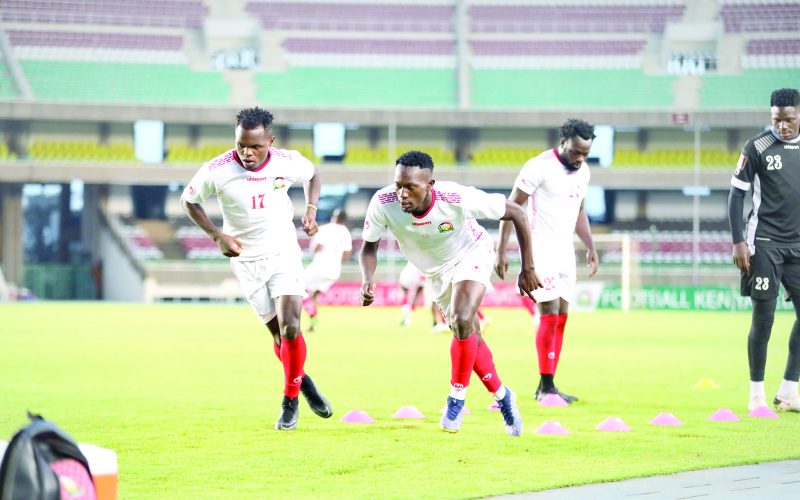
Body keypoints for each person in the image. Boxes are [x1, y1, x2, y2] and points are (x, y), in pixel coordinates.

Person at [359, 150, 540, 436]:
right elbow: (369, 246)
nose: (402, 194)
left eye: (411, 187)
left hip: (472, 252)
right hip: (436, 273)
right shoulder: (382, 203)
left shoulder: (456, 197)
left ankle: (455, 399)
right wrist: (367, 278)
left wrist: (527, 267)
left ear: (430, 185)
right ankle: (503, 396)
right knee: (467, 333)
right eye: (398, 185)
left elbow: (516, 212)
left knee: (461, 316)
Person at [180, 106, 333, 430]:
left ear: (270, 142)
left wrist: (310, 208)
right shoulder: (217, 169)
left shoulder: (287, 161)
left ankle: (289, 402)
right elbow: (189, 201)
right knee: (279, 338)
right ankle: (302, 381)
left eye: (255, 146)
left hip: (283, 252)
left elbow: (313, 174)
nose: (247, 153)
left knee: (292, 326)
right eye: (241, 145)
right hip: (246, 260)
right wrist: (217, 235)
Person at [496, 118, 599, 405]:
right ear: (563, 141)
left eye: (585, 154)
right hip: (539, 251)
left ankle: (550, 384)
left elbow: (580, 212)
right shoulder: (538, 166)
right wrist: (501, 249)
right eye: (576, 152)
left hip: (566, 252)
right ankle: (545, 386)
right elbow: (512, 207)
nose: (580, 159)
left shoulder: (584, 172)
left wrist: (590, 247)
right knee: (549, 313)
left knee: (562, 316)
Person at [728, 88, 800, 412]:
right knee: (764, 318)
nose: (782, 126)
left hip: (798, 246)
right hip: (766, 243)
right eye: (776, 120)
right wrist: (739, 241)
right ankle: (756, 394)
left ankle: (788, 391)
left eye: (788, 119)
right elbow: (735, 196)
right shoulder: (756, 146)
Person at [302, 208, 353, 332]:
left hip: (320, 266)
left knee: (297, 286)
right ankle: (312, 323)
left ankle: (311, 312)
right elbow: (347, 256)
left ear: (333, 217)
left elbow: (315, 248)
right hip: (334, 270)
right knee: (314, 294)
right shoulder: (346, 232)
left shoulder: (325, 229)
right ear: (344, 220)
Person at [398, 261, 427, 326]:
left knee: (408, 299)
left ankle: (407, 317)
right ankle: (407, 318)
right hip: (412, 278)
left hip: (409, 278)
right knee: (409, 300)